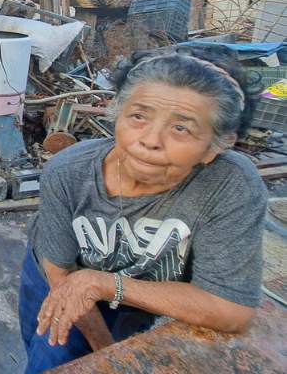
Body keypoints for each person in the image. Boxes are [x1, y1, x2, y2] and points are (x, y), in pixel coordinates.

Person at [18, 46, 268, 373]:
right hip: (60, 281)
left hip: (149, 293)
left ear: (215, 146)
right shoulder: (67, 173)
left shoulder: (231, 185)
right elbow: (63, 276)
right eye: (138, 116)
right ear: (117, 115)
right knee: (51, 360)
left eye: (181, 128)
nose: (150, 140)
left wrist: (107, 284)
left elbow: (231, 309)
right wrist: (111, 354)